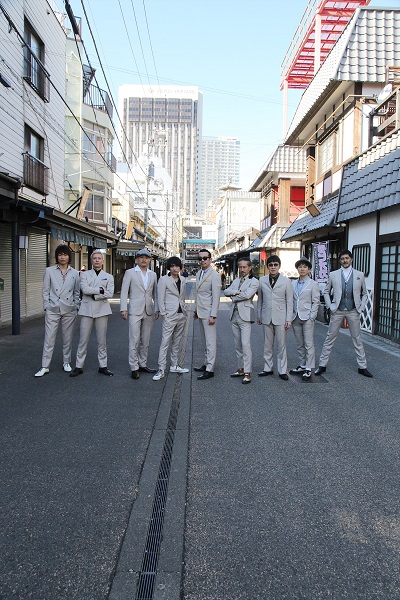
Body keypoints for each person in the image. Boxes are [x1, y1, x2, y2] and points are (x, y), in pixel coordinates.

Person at [315, 249, 373, 377]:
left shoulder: (359, 274)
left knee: (357, 339)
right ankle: (322, 365)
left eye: (347, 258)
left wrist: (361, 308)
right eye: (342, 259)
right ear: (340, 261)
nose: (345, 260)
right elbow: (326, 291)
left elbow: (364, 294)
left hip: (353, 310)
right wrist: (330, 306)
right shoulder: (333, 274)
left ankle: (362, 366)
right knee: (330, 338)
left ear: (351, 259)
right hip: (337, 310)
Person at [35, 245, 80, 377]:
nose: (62, 257)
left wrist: (75, 305)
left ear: (69, 257)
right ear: (57, 257)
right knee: (49, 338)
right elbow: (45, 290)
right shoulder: (49, 271)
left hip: (69, 309)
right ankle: (45, 366)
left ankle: (66, 362)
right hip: (53, 309)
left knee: (67, 338)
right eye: (60, 255)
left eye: (65, 255)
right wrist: (47, 306)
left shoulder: (75, 273)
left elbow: (77, 292)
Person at [70, 250, 114, 377]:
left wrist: (96, 295)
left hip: (102, 309)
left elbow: (110, 293)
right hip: (86, 309)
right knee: (83, 339)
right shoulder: (84, 275)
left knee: (102, 340)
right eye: (95, 258)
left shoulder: (108, 276)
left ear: (103, 260)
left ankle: (103, 366)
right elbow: (85, 289)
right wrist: (100, 290)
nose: (97, 260)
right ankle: (79, 366)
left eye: (99, 258)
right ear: (91, 260)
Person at [120, 248, 159, 380]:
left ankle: (143, 363)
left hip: (148, 310)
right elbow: (124, 291)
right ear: (137, 259)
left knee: (145, 339)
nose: (144, 260)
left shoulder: (153, 274)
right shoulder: (130, 273)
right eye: (141, 257)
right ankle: (134, 367)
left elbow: (155, 293)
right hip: (135, 310)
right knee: (134, 339)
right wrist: (123, 308)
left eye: (146, 258)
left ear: (150, 260)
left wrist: (157, 309)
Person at [257, 255, 293, 380]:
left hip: (281, 317)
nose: (273, 267)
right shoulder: (262, 280)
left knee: (281, 345)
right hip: (266, 316)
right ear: (267, 266)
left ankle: (282, 370)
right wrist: (259, 315)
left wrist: (289, 319)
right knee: (267, 345)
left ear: (279, 266)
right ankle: (268, 368)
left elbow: (289, 301)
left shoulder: (286, 281)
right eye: (271, 265)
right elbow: (260, 300)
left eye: (275, 265)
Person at [153, 257, 189, 381]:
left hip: (181, 314)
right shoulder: (163, 280)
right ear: (169, 267)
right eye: (172, 266)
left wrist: (184, 310)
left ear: (180, 267)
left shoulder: (183, 279)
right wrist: (163, 313)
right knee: (165, 342)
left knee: (177, 342)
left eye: (177, 266)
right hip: (169, 315)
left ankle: (174, 365)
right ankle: (161, 369)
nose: (175, 268)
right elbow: (160, 297)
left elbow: (182, 297)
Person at [224, 258, 259, 384]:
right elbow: (226, 291)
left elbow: (247, 295)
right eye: (240, 267)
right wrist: (236, 291)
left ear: (250, 268)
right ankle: (241, 368)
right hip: (234, 315)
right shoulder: (236, 280)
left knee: (245, 344)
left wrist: (234, 297)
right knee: (237, 344)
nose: (242, 269)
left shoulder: (254, 281)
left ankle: (247, 372)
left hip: (245, 315)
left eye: (244, 267)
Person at [289, 257, 320, 381]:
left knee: (308, 343)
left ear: (308, 269)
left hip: (307, 317)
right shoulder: (292, 283)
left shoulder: (313, 284)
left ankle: (309, 368)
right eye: (300, 267)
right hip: (295, 316)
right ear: (297, 269)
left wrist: (312, 316)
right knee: (299, 343)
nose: (302, 269)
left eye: (305, 267)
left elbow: (316, 301)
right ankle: (302, 365)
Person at [193, 249, 221, 380]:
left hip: (209, 313)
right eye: (200, 258)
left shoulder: (214, 275)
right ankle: (205, 364)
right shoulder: (199, 273)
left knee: (210, 343)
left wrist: (213, 315)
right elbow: (198, 294)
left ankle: (210, 369)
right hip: (201, 312)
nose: (202, 260)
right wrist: (195, 310)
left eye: (205, 258)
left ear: (210, 259)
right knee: (204, 342)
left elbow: (216, 297)